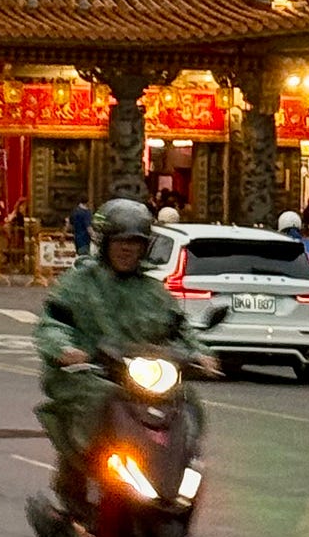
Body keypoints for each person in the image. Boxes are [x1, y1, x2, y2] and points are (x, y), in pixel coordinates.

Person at [34, 198, 216, 517]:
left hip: (142, 376)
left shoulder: (153, 291)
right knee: (99, 400)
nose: (127, 249)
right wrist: (64, 350)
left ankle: (177, 470)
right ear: (105, 243)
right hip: (91, 373)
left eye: (135, 242)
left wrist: (200, 354)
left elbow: (179, 328)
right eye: (120, 241)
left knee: (186, 403)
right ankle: (78, 476)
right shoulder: (79, 284)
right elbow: (52, 322)